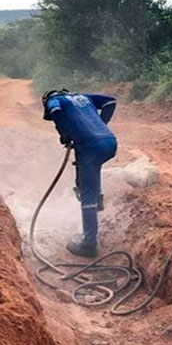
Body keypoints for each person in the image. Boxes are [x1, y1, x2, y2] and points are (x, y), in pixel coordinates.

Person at [42, 89, 117, 258]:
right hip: (110, 142)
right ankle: (96, 200)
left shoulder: (54, 101)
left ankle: (89, 243)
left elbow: (55, 111)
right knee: (89, 176)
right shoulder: (83, 97)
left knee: (87, 193)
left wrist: (65, 134)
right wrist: (100, 124)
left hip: (91, 146)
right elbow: (110, 101)